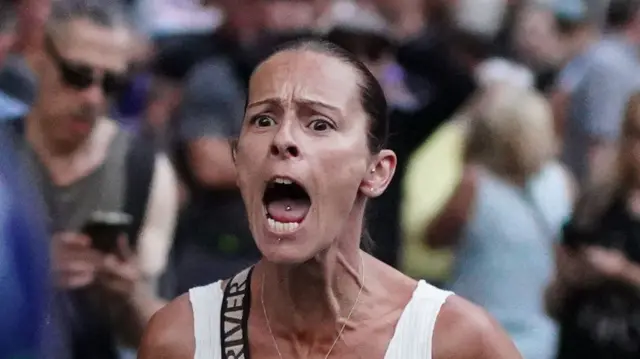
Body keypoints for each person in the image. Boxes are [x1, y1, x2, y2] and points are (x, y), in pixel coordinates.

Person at [138, 39, 521, 359]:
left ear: (377, 172)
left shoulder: (455, 341)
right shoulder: (181, 339)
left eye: (319, 123)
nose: (282, 139)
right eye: (263, 120)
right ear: (239, 163)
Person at [3, 0, 179, 358]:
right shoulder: (5, 158)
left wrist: (127, 295)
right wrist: (30, 271)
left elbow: (157, 335)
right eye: (77, 75)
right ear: (38, 59)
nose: (93, 98)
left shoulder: (144, 170)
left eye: (112, 83)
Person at [424, 85, 573, 359]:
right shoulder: (562, 182)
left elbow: (432, 238)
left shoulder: (475, 184)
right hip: (539, 336)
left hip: (473, 330)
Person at [547, 92, 640, 359]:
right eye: (633, 134)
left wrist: (622, 271)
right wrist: (578, 274)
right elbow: (555, 294)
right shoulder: (599, 201)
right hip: (584, 340)